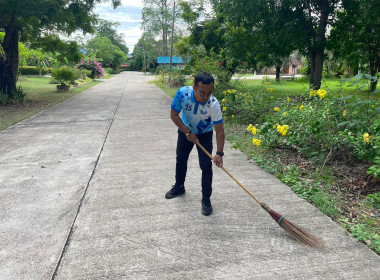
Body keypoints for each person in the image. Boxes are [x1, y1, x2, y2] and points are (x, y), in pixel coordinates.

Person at [165, 72, 225, 216]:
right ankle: (179, 186)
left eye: (209, 92)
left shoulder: (213, 104)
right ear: (194, 88)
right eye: (202, 92)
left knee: (206, 165)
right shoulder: (182, 94)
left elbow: (220, 130)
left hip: (205, 133)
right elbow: (173, 115)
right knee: (181, 159)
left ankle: (206, 198)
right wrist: (186, 132)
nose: (206, 96)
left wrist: (219, 153)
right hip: (185, 130)